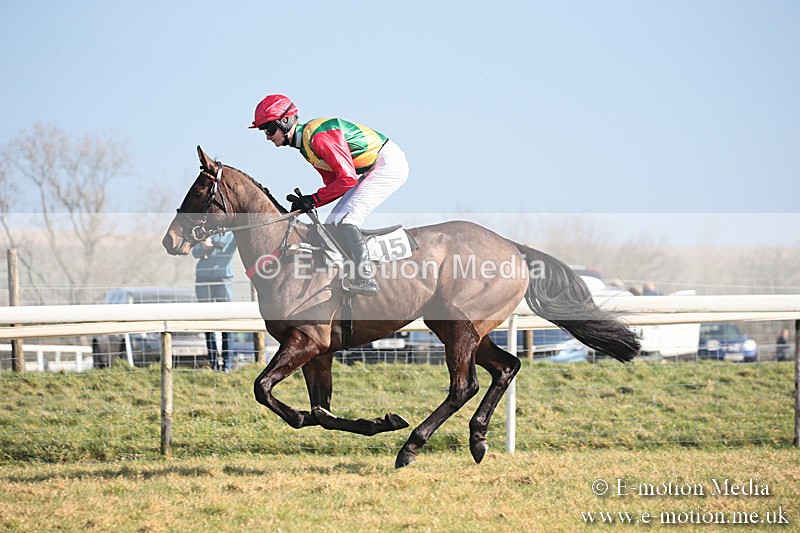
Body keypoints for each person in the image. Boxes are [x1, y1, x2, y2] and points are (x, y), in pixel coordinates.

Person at [250, 94, 409, 296]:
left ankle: (365, 277)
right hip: (370, 168)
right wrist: (309, 201)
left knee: (348, 218)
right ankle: (345, 273)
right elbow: (335, 184)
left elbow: (347, 179)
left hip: (388, 164)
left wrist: (314, 200)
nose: (267, 136)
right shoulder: (305, 148)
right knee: (333, 222)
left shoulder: (316, 137)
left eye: (269, 129)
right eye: (264, 131)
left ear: (285, 121)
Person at [192, 232, 236, 371]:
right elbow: (195, 252)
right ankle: (213, 364)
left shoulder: (232, 233)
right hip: (203, 278)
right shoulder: (205, 232)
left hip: (223, 278)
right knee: (208, 322)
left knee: (227, 322)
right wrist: (204, 247)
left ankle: (227, 365)